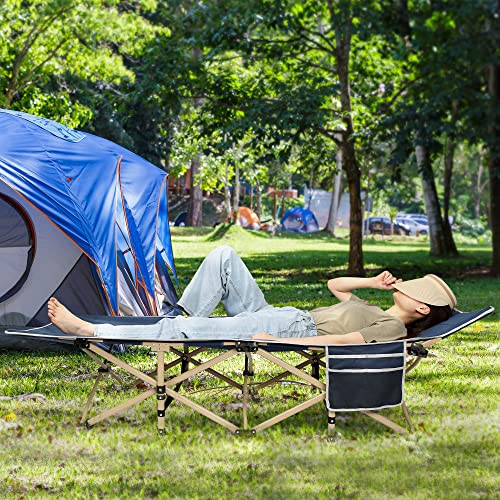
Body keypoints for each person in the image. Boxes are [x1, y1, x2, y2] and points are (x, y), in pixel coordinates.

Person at [48, 246, 456, 344]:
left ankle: (91, 328)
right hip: (279, 313)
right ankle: (177, 316)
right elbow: (335, 287)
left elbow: (343, 341)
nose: (406, 284)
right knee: (224, 255)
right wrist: (372, 283)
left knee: (191, 329)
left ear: (421, 307)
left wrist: (280, 342)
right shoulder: (374, 308)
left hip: (289, 328)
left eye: (413, 288)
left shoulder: (392, 328)